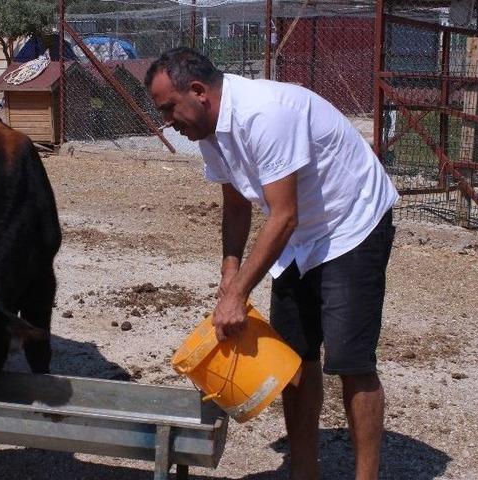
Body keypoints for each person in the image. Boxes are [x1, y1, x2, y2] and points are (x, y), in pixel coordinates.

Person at [145, 47, 398, 480]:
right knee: (293, 357)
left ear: (199, 91)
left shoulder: (266, 113)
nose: (167, 121)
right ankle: (304, 473)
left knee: (350, 361)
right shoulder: (208, 132)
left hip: (351, 223)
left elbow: (283, 215)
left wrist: (241, 293)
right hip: (300, 239)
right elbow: (236, 205)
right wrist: (229, 277)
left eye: (169, 108)